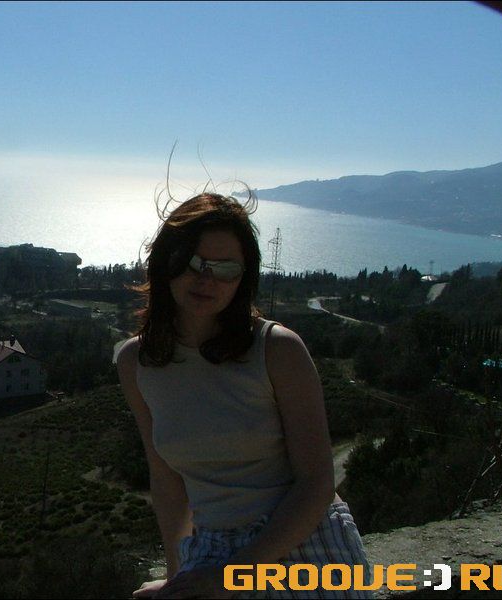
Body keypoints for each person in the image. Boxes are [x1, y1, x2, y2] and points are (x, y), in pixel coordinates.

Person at [116, 192, 372, 599]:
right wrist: (179, 578)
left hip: (301, 541)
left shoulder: (277, 350)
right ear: (165, 260)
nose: (207, 278)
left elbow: (316, 484)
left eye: (226, 268)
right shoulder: (136, 363)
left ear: (244, 278)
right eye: (193, 261)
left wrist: (230, 576)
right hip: (212, 548)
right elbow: (167, 483)